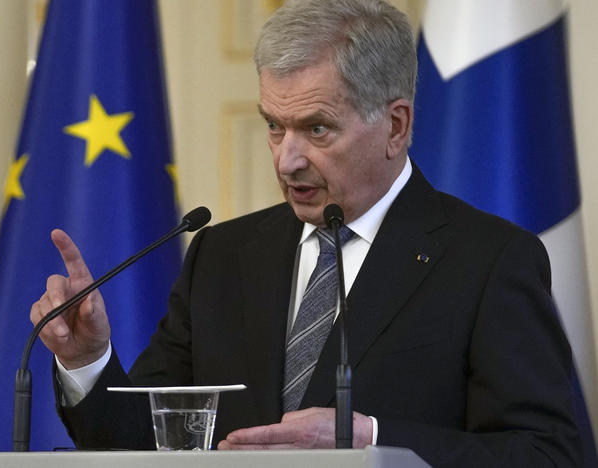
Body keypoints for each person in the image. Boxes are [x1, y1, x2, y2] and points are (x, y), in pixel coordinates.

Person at [30, 0, 582, 466]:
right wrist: (87, 361)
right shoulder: (220, 255)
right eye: (274, 125)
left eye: (317, 128)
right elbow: (145, 443)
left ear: (396, 126)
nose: (287, 160)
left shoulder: (488, 260)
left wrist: (370, 441)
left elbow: (550, 452)